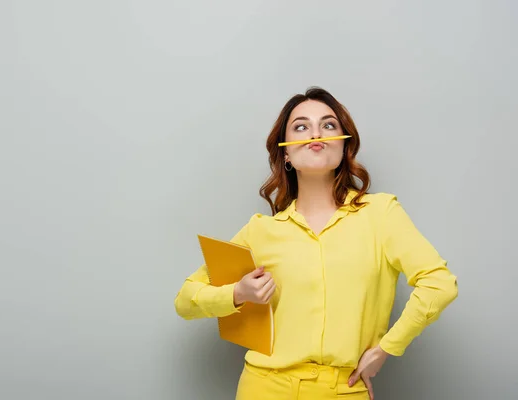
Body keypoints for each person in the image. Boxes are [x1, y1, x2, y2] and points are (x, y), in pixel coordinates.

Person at [173, 87, 458, 400]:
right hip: (263, 387)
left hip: (342, 390)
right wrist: (238, 293)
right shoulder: (260, 231)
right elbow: (186, 300)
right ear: (286, 154)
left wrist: (388, 348)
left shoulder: (381, 214)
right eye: (300, 126)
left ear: (343, 145)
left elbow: (439, 284)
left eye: (329, 124)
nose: (315, 133)